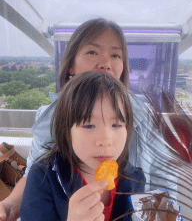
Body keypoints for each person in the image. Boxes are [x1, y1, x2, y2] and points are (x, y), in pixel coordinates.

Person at [0, 18, 177, 220]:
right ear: (70, 66)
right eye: (92, 52)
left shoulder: (136, 171)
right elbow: (34, 177)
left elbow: (166, 180)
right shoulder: (46, 171)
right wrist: (9, 205)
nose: (105, 64)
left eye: (116, 55)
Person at [20, 71, 146, 221]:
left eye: (117, 125)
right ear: (67, 131)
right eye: (89, 125)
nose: (105, 140)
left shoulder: (135, 179)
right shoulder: (43, 178)